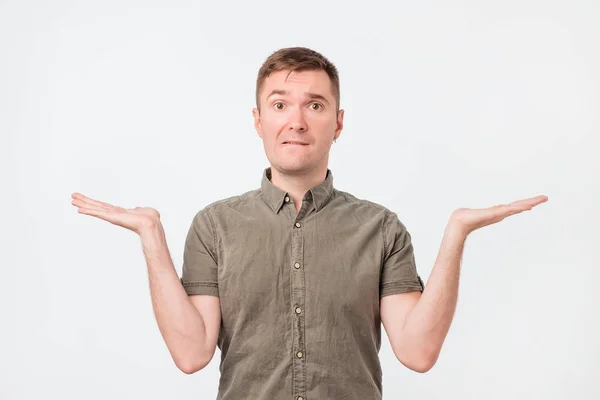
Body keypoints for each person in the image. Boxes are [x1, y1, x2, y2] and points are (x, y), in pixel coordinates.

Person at [71, 46, 548, 400]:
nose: (296, 121)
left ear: (338, 123)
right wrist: (152, 238)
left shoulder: (380, 229)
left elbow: (418, 353)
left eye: (314, 105)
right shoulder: (214, 226)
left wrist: (456, 234)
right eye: (280, 105)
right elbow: (192, 353)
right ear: (258, 121)